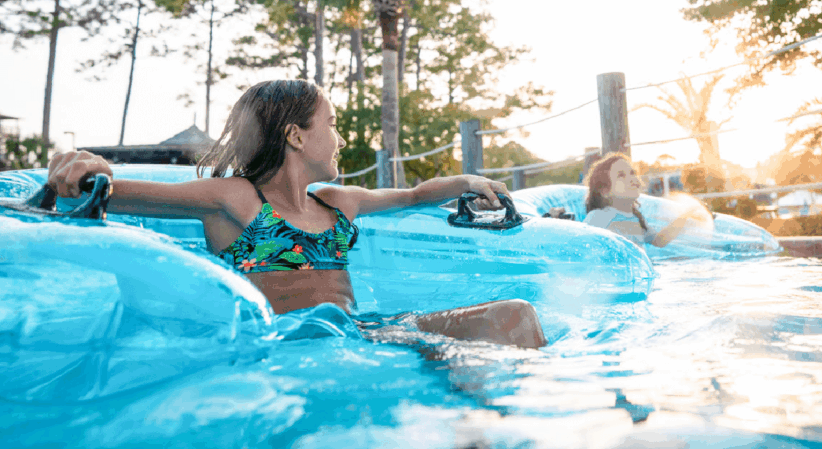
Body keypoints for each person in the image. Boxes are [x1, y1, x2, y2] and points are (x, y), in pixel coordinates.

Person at [47, 79, 546, 349]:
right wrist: (89, 169)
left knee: (515, 316)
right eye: (332, 123)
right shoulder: (238, 200)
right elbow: (127, 194)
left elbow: (414, 195)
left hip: (365, 332)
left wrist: (467, 182)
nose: (342, 136)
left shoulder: (336, 203)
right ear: (296, 135)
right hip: (290, 341)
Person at [583, 152, 710, 247]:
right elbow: (582, 242)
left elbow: (659, 241)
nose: (631, 178)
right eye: (621, 175)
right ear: (605, 191)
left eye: (633, 173)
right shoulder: (599, 216)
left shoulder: (636, 218)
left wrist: (685, 217)